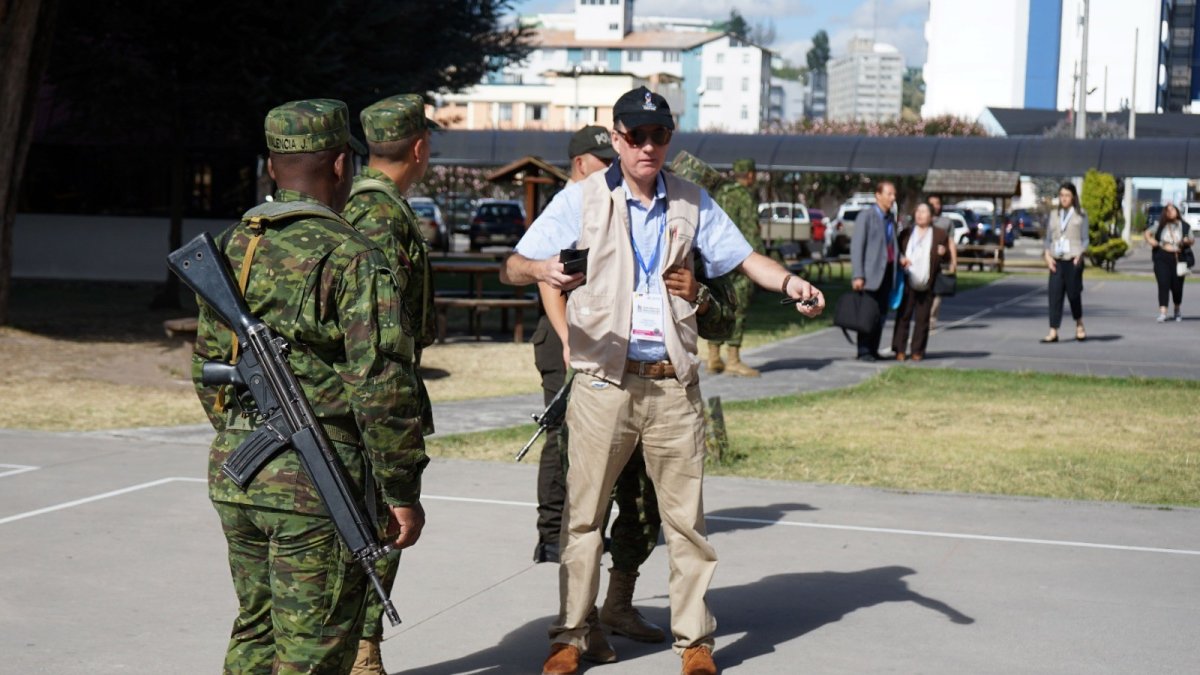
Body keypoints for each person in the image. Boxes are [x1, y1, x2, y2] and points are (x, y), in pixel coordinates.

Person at [500, 85, 824, 675]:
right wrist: (543, 268)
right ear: (618, 138)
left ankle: (694, 642)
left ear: (668, 139)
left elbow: (745, 257)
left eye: (660, 135)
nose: (649, 146)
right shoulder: (582, 199)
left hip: (672, 383)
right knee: (584, 518)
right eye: (637, 135)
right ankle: (571, 635)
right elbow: (514, 264)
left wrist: (790, 283)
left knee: (686, 524)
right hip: (604, 382)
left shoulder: (692, 202)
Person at [191, 99, 429, 673]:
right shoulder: (351, 255)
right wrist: (401, 489)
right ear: (342, 166)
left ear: (273, 167)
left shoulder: (234, 248)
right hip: (317, 481)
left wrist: (251, 431)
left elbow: (207, 368)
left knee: (256, 631)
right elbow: (381, 387)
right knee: (314, 650)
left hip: (238, 473)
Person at [532, 128, 738, 667]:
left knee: (654, 508)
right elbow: (541, 277)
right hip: (593, 371)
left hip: (663, 376)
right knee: (580, 503)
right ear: (587, 161)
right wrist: (570, 342)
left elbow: (730, 301)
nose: (632, 158)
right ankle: (580, 626)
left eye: (656, 140)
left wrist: (703, 294)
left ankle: (628, 610)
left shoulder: (681, 209)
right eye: (607, 156)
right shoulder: (578, 207)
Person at [340, 93, 439, 675]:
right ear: (419, 149)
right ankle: (362, 650)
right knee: (382, 522)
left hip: (356, 389)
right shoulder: (382, 216)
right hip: (374, 392)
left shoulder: (353, 202)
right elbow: (376, 328)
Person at [701, 157, 766, 377]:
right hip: (737, 261)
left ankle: (712, 357)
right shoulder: (744, 196)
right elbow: (750, 231)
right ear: (750, 174)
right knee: (738, 308)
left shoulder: (719, 192)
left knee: (718, 305)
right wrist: (761, 264)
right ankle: (733, 360)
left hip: (714, 258)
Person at [891, 202, 951, 361]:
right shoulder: (906, 233)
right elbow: (897, 252)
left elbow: (947, 257)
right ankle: (900, 349)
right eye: (918, 211)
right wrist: (902, 259)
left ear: (931, 216)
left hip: (927, 282)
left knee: (922, 318)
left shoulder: (939, 234)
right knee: (903, 315)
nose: (920, 215)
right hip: (908, 280)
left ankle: (918, 350)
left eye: (923, 212)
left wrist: (944, 253)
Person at [850, 181, 899, 361]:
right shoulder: (866, 216)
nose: (892, 198)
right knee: (867, 314)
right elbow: (857, 247)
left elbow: (891, 246)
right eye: (889, 194)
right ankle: (863, 350)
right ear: (878, 195)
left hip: (886, 273)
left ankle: (873, 349)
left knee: (880, 314)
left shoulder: (890, 219)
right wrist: (858, 275)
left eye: (894, 194)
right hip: (869, 275)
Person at [1041, 183, 1090, 343]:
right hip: (1056, 259)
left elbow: (1085, 239)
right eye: (1061, 195)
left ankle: (1079, 324)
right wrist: (1047, 256)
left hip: (1073, 259)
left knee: (1073, 294)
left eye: (1067, 195)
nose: (1064, 198)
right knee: (1054, 295)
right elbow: (1048, 239)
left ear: (1073, 197)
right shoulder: (1054, 214)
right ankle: (1053, 330)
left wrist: (1080, 255)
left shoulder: (1081, 215)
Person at [1143, 202, 1194, 322]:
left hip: (1178, 257)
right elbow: (1147, 233)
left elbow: (1191, 239)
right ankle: (1163, 312)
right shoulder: (1160, 225)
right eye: (1168, 210)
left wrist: (1187, 241)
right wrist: (1152, 241)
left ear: (1177, 211)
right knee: (1163, 284)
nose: (1170, 212)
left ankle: (1177, 309)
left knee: (1177, 287)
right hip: (1162, 256)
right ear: (1165, 213)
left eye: (1173, 209)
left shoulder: (1184, 226)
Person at [926, 195, 959, 328]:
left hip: (940, 264)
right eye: (931, 203)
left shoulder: (946, 222)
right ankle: (924, 316)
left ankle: (932, 318)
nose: (935, 206)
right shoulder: (922, 219)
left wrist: (954, 261)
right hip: (924, 263)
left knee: (938, 292)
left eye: (937, 203)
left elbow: (951, 243)